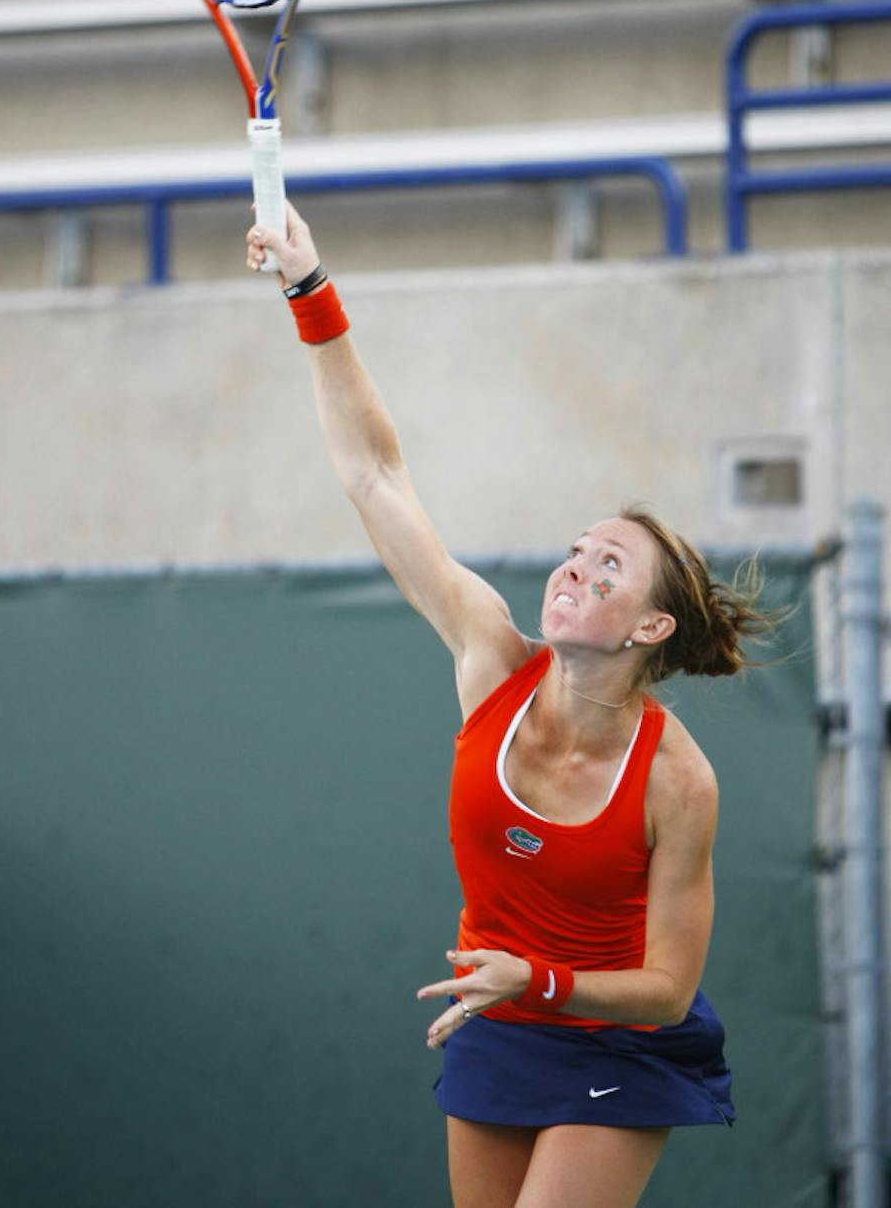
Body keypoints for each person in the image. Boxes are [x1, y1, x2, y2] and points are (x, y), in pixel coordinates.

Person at [247, 205, 772, 1208]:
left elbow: (666, 986)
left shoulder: (677, 781)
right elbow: (372, 472)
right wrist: (308, 287)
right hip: (493, 1019)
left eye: (608, 564)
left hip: (617, 1040)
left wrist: (534, 979)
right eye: (579, 546)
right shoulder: (490, 656)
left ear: (650, 628)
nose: (576, 564)